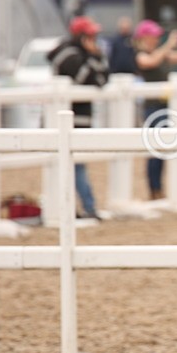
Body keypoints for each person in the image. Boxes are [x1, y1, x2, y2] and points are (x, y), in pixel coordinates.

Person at [48, 16, 108, 220]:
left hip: (78, 117)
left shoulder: (82, 54)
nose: (95, 40)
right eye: (91, 35)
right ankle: (86, 207)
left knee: (75, 163)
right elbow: (91, 78)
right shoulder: (69, 55)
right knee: (74, 164)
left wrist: (95, 57)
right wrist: (94, 57)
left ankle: (78, 207)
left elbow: (102, 79)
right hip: (66, 118)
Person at [133, 19, 177, 200]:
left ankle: (158, 189)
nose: (156, 39)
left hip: (163, 105)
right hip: (152, 107)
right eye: (153, 36)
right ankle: (154, 189)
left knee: (163, 149)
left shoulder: (160, 54)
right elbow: (150, 62)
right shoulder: (140, 54)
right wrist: (169, 45)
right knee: (155, 150)